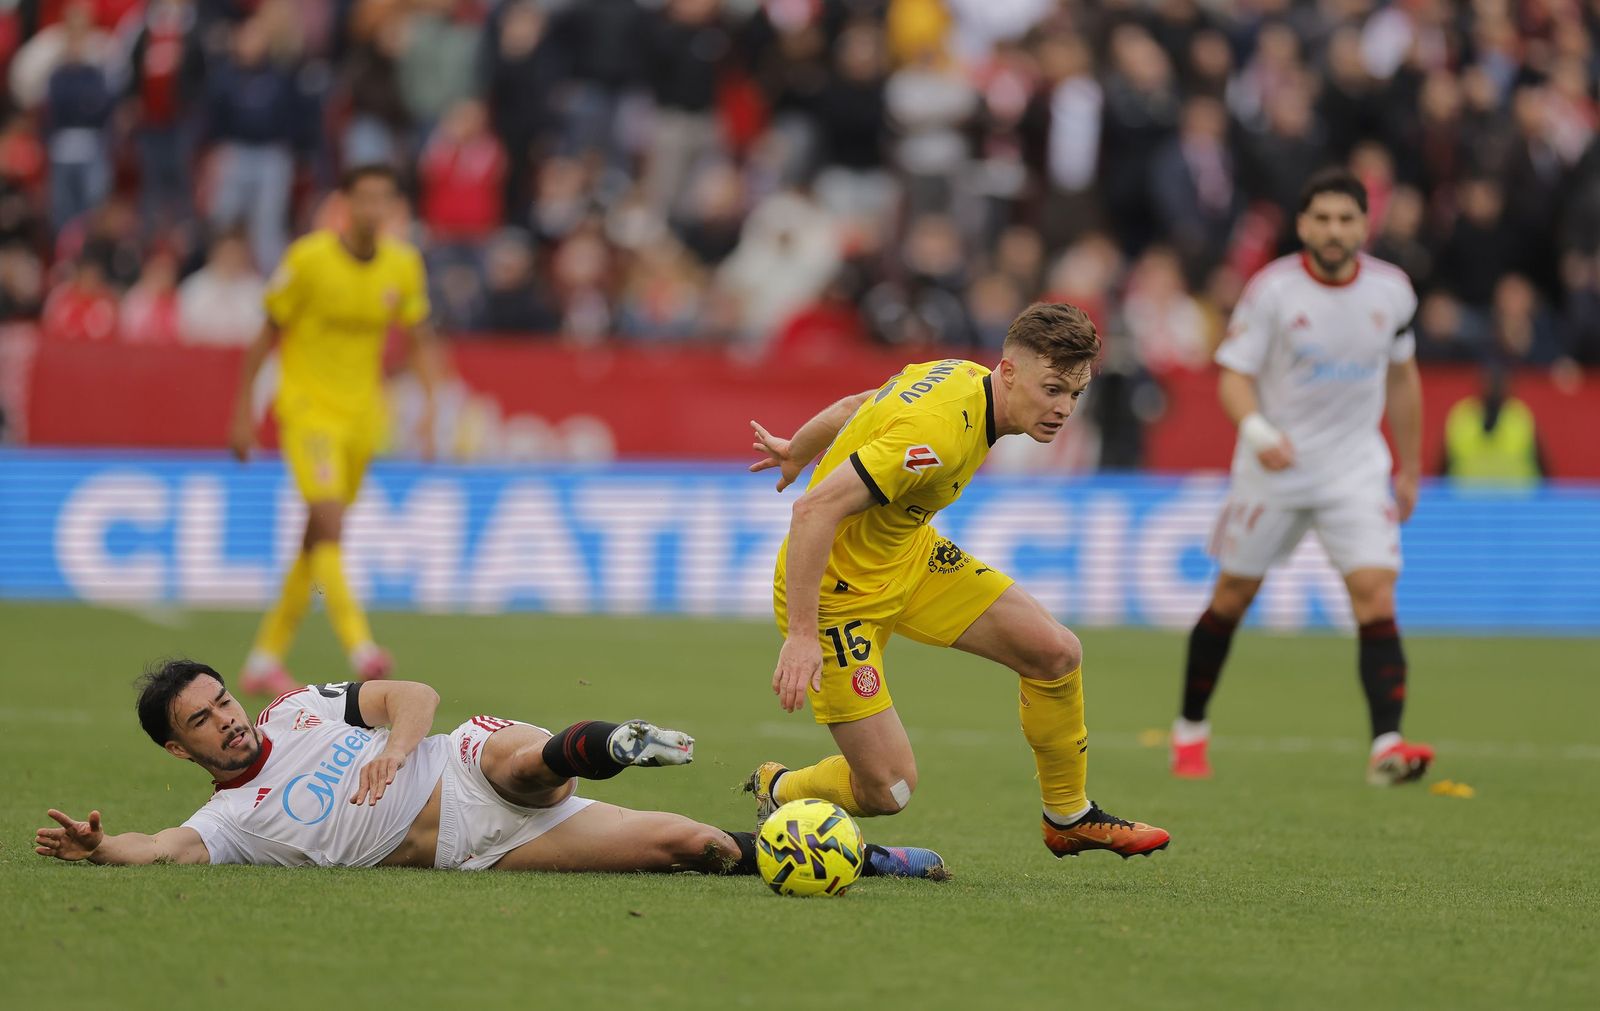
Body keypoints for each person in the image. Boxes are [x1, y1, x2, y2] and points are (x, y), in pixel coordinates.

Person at [744, 303, 1170, 859]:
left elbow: (858, 406)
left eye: (1074, 394)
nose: (1063, 408)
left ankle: (1068, 816)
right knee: (889, 789)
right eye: (1053, 389)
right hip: (836, 597)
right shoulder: (939, 436)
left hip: (909, 557)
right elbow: (813, 512)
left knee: (1056, 651)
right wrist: (802, 634)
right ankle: (779, 787)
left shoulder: (959, 375)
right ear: (1009, 372)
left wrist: (797, 449)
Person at [34, 660, 944, 879]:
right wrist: (103, 845)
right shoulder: (228, 825)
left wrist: (393, 752)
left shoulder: (300, 708)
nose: (227, 721)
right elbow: (159, 850)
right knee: (694, 846)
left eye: (221, 701)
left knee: (521, 762)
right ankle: (872, 860)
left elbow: (415, 695)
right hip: (473, 848)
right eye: (203, 721)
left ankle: (604, 745)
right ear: (177, 748)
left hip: (460, 764)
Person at [1171, 167, 1434, 786]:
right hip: (1275, 470)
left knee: (1374, 593)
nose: (1335, 230)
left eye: (1346, 219)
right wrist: (1260, 434)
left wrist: (1411, 465)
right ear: (1302, 225)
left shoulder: (1392, 291)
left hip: (1355, 468)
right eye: (1323, 218)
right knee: (1232, 599)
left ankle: (1386, 746)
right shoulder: (1273, 291)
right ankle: (1190, 730)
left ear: (1365, 225)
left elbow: (1402, 378)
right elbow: (1233, 374)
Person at [228, 165, 438, 696]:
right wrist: (242, 411)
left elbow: (418, 339)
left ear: (393, 208)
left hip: (363, 418)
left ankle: (264, 658)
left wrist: (432, 406)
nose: (372, 210)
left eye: (382, 200)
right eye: (363, 199)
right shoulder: (308, 259)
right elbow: (265, 336)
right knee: (328, 520)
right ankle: (361, 644)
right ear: (344, 203)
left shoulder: (403, 265)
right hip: (306, 410)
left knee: (315, 540)